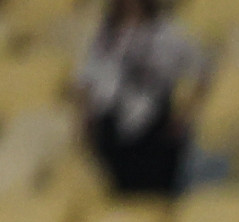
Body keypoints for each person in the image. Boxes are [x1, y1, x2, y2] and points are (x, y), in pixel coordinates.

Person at [74, 0, 208, 195]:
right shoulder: (104, 36)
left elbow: (202, 70)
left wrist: (185, 113)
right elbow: (86, 80)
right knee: (120, 191)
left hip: (153, 121)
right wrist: (84, 118)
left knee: (155, 192)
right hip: (111, 122)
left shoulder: (169, 33)